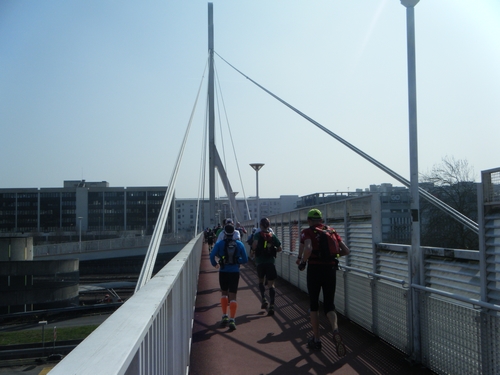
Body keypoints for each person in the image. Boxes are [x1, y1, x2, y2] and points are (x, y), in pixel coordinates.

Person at [296, 208, 350, 355]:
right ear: (321, 220)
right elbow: (346, 251)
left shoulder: (307, 232)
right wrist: (331, 255)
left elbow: (307, 248)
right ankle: (335, 330)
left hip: (315, 270)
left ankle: (317, 339)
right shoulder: (331, 231)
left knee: (314, 305)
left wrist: (302, 262)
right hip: (330, 270)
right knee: (329, 306)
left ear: (309, 220)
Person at [210, 223, 249, 331]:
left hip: (223, 271)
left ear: (224, 233)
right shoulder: (239, 244)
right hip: (234, 272)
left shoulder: (220, 244)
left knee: (224, 293)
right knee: (233, 295)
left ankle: (224, 316)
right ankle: (232, 319)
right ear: (234, 233)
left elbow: (212, 255)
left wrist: (215, 264)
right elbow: (245, 260)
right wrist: (237, 261)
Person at [251, 218, 282, 316]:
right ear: (269, 225)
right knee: (271, 284)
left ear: (260, 225)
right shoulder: (272, 236)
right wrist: (272, 251)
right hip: (270, 262)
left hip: (260, 262)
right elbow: (280, 248)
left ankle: (264, 298)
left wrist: (252, 252)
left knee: (260, 281)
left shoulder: (257, 235)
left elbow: (254, 246)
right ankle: (272, 305)